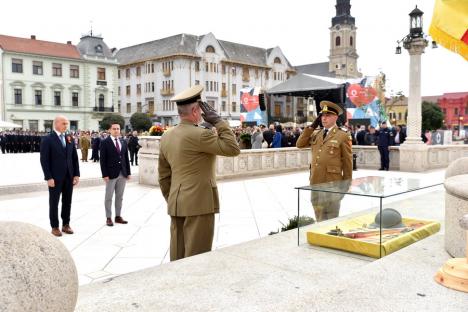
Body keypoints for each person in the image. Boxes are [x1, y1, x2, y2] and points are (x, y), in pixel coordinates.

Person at [158, 85, 240, 261]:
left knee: (177, 256)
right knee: (197, 259)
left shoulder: (167, 135)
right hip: (199, 203)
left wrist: (172, 197)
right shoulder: (200, 135)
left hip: (176, 203)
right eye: (201, 110)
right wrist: (219, 121)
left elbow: (163, 176)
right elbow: (233, 149)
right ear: (195, 110)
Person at [296, 101, 353, 221]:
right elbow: (299, 144)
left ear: (336, 117)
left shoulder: (342, 135)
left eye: (328, 115)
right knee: (319, 218)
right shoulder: (317, 134)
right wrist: (312, 126)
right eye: (322, 115)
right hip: (316, 182)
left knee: (331, 220)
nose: (324, 118)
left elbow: (348, 163)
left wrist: (345, 186)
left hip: (332, 185)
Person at [40, 116, 80, 237]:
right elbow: (44, 160)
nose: (66, 126)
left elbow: (74, 158)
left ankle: (66, 224)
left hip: (69, 176)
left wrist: (76, 174)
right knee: (54, 202)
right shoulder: (48, 139)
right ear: (56, 124)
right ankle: (55, 226)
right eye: (64, 123)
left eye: (67, 124)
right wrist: (48, 177)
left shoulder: (69, 138)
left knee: (67, 201)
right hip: (55, 178)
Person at [100, 123, 131, 226]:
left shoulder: (123, 141)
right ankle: (108, 217)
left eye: (118, 129)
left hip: (122, 173)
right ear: (110, 130)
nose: (116, 130)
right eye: (114, 129)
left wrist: (128, 173)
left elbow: (126, 158)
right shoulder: (105, 142)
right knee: (108, 197)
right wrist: (105, 174)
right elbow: (102, 160)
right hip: (110, 174)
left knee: (120, 196)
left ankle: (118, 216)